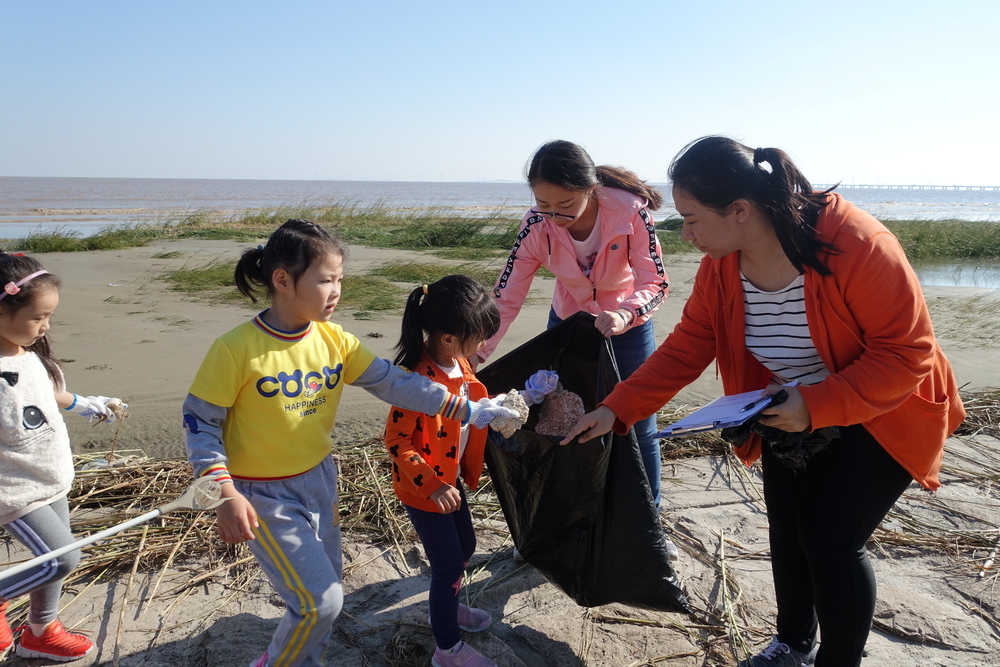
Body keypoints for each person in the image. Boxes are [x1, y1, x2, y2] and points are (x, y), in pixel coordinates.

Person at [562, 136, 966, 667]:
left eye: (691, 219)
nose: (684, 234)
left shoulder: (857, 243)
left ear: (740, 210)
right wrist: (617, 407)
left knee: (828, 537)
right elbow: (687, 348)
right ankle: (792, 643)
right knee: (787, 527)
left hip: (885, 407)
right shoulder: (722, 265)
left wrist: (816, 405)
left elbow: (905, 354)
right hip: (788, 406)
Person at [181, 220, 518, 667]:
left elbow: (395, 382)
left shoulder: (335, 340)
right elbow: (199, 422)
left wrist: (467, 409)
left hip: (320, 481)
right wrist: (222, 492)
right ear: (282, 280)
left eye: (340, 279)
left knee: (327, 590)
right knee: (319, 602)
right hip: (262, 493)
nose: (337, 290)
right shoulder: (236, 349)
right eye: (326, 280)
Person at [476, 140, 677, 558]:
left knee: (638, 426)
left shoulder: (630, 212)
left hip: (627, 327)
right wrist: (474, 355)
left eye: (565, 204)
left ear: (590, 188)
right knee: (560, 423)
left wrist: (625, 313)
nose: (556, 217)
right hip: (568, 326)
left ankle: (649, 527)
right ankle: (558, 525)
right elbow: (506, 297)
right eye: (544, 205)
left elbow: (656, 282)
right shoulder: (537, 226)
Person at [385, 275, 557, 667]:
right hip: (426, 489)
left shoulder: (459, 363)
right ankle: (447, 649)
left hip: (452, 480)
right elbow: (396, 441)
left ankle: (448, 607)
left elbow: (479, 407)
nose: (483, 346)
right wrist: (430, 486)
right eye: (479, 338)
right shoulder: (415, 382)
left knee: (465, 548)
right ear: (448, 338)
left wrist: (526, 396)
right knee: (446, 567)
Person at [0, 251, 127, 662]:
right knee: (62, 558)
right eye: (37, 317)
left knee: (55, 555)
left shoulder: (30, 356)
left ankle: (41, 631)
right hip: (14, 489)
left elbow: (50, 396)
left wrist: (90, 404)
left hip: (52, 475)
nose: (46, 326)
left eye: (48, 316)